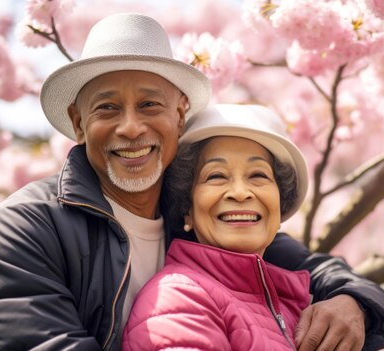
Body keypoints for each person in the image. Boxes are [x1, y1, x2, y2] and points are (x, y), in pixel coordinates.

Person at [0, 12, 384, 351]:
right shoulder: (28, 226)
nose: (130, 127)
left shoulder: (200, 213)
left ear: (179, 118)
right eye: (107, 108)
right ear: (78, 124)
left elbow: (310, 268)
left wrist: (353, 300)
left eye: (149, 105)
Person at [123, 103, 312, 350]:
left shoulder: (293, 308)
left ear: (280, 202)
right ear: (187, 209)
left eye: (258, 175)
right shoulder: (179, 297)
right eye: (216, 176)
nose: (240, 192)